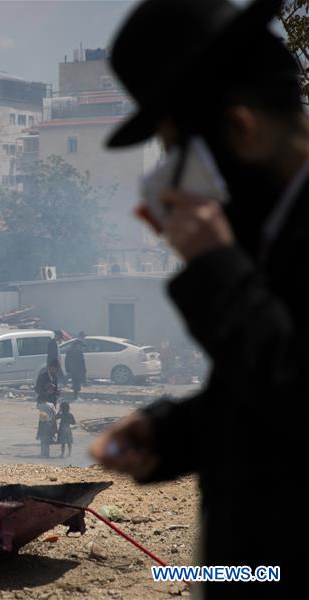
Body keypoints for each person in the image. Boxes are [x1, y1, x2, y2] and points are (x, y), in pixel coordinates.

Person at [89, 1, 308, 597]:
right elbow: (267, 400)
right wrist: (171, 433)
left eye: (175, 153)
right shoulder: (273, 235)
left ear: (240, 129)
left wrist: (216, 268)